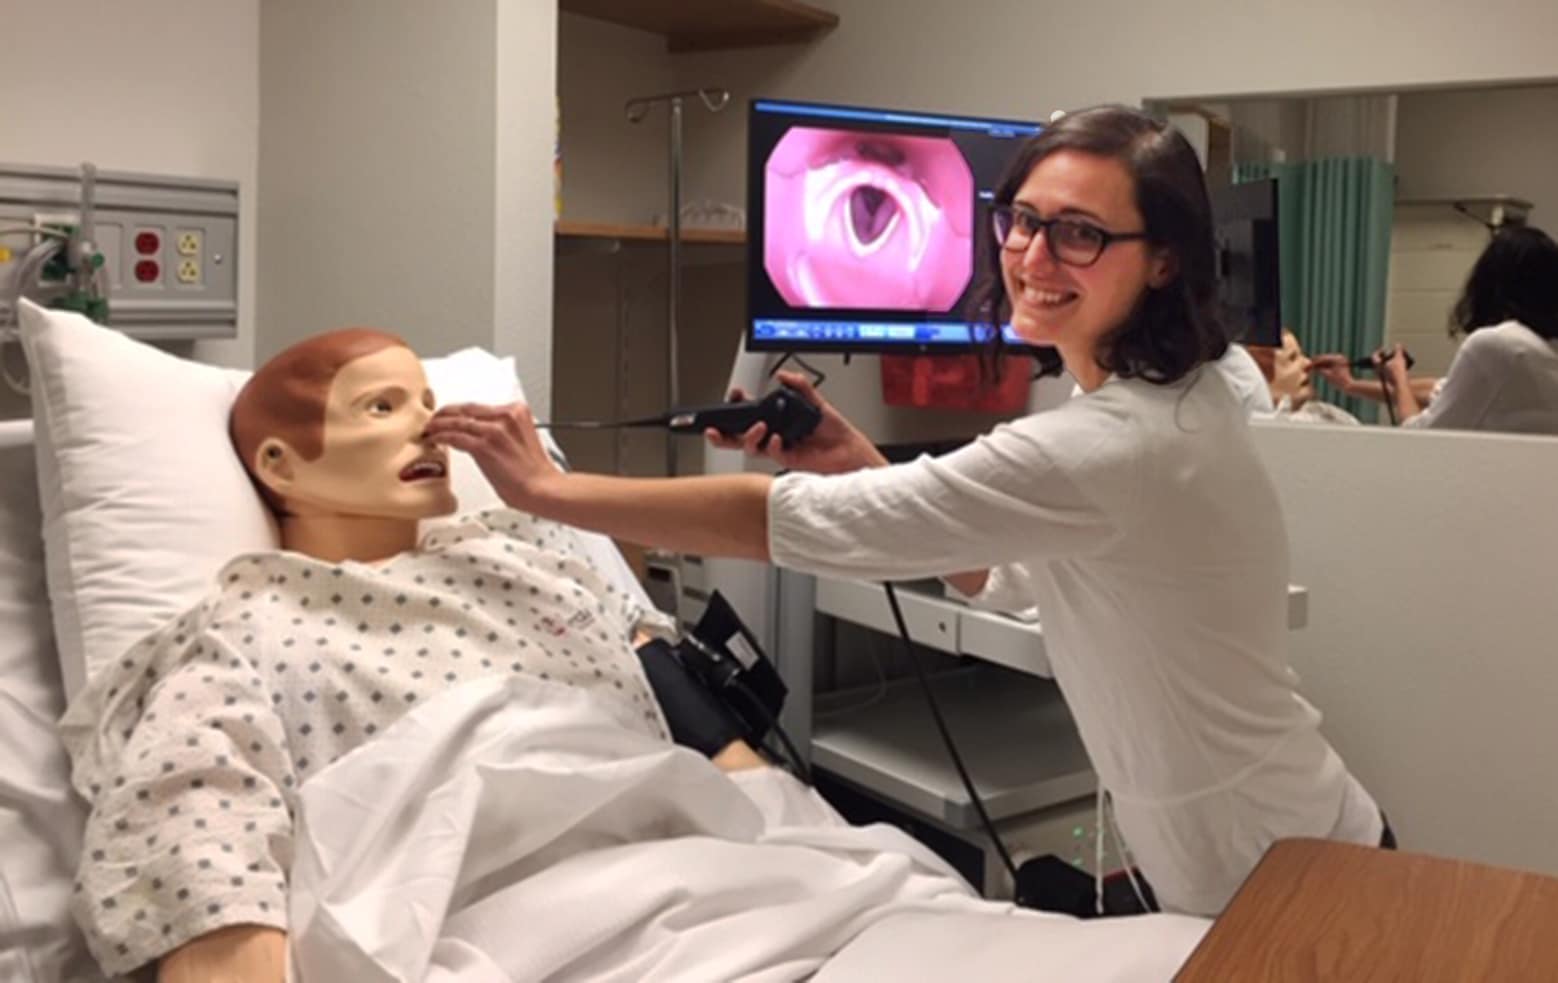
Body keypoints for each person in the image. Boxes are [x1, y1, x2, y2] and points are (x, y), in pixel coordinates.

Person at [428, 106, 1390, 919]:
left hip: (1279, 876)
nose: (1030, 254)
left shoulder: (1112, 442)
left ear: (1167, 262)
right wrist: (858, 461)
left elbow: (786, 520)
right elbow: (1002, 570)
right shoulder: (1190, 389)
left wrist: (546, 490)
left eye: (1080, 234)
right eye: (1020, 219)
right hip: (1294, 832)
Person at [59, 329, 763, 981]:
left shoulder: (526, 558)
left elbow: (665, 682)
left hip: (719, 877)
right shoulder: (252, 621)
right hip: (514, 929)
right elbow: (204, 837)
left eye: (426, 401)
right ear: (282, 464)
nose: (427, 424)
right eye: (381, 406)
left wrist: (775, 811)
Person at [1379, 225, 1558, 433]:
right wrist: (1350, 383)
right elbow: (1440, 389)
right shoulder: (1542, 348)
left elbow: (1423, 434)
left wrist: (1399, 376)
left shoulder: (1497, 345)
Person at [1247, 328, 1361, 425]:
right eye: (1292, 358)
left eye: (1301, 355)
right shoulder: (1248, 428)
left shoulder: (1330, 416)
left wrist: (1350, 384)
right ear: (1260, 377)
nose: (1307, 363)